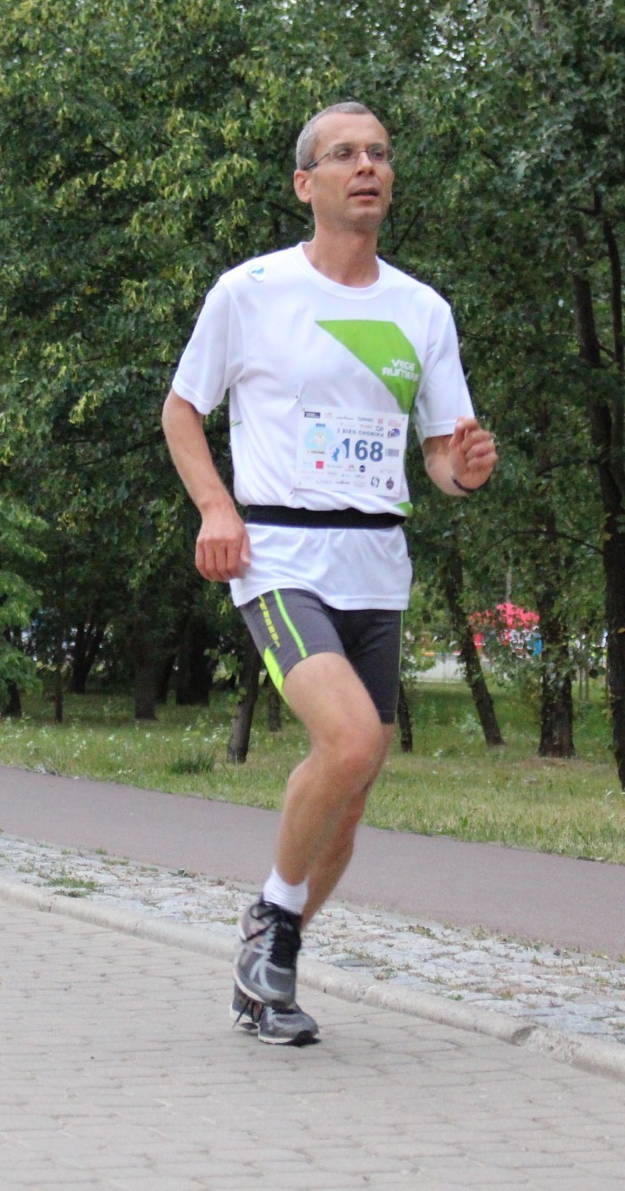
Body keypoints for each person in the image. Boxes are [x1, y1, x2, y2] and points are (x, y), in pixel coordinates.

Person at [162, 100, 497, 1045]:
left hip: (375, 564)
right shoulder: (251, 292)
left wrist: (465, 472)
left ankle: (266, 975)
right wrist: (217, 509)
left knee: (351, 796)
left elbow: (441, 456)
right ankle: (271, 919)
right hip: (277, 557)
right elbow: (182, 410)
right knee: (349, 741)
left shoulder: (421, 310)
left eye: (380, 153)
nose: (368, 166)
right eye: (345, 154)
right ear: (306, 183)